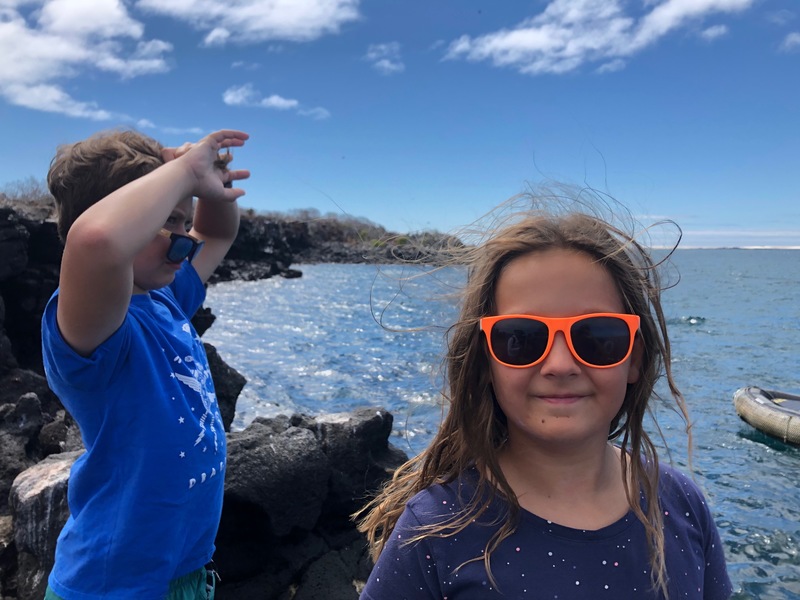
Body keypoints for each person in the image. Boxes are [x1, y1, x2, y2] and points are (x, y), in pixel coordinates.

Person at [356, 199, 732, 599]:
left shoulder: (681, 504)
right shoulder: (434, 529)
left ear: (634, 360)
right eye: (521, 338)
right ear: (485, 363)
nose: (559, 364)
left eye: (597, 337)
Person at [41, 128, 249, 599]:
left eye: (184, 223)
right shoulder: (94, 331)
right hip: (110, 585)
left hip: (187, 574)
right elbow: (96, 240)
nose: (186, 244)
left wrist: (205, 184)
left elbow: (216, 232)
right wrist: (182, 172)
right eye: (168, 223)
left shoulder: (166, 299)